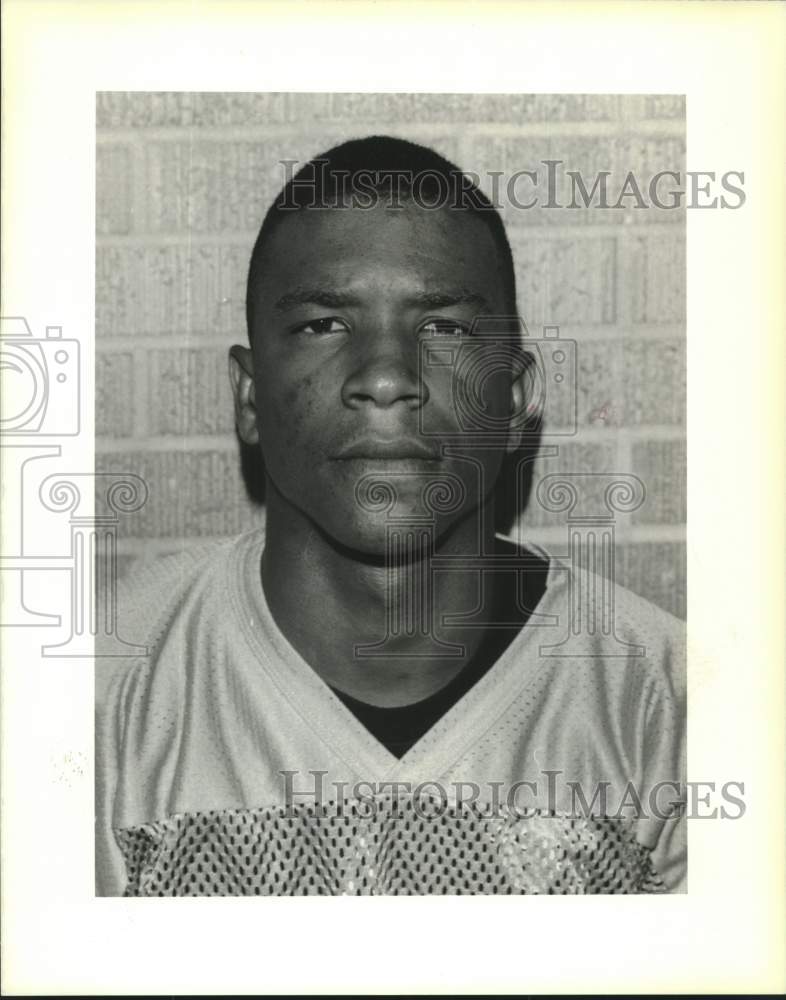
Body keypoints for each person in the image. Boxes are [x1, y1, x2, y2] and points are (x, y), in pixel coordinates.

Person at [96, 136, 686, 896]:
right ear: (249, 397)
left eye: (443, 327)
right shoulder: (93, 696)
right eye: (323, 325)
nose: (384, 377)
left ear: (513, 398)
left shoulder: (665, 708)